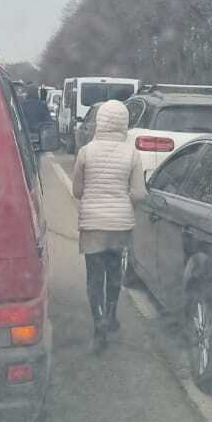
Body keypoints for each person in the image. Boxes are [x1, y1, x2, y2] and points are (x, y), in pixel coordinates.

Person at [71, 98, 145, 352]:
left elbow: (77, 190)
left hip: (92, 223)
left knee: (94, 277)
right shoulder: (132, 154)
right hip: (120, 225)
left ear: (100, 121)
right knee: (115, 273)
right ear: (124, 123)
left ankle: (98, 323)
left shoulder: (85, 152)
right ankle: (112, 316)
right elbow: (139, 194)